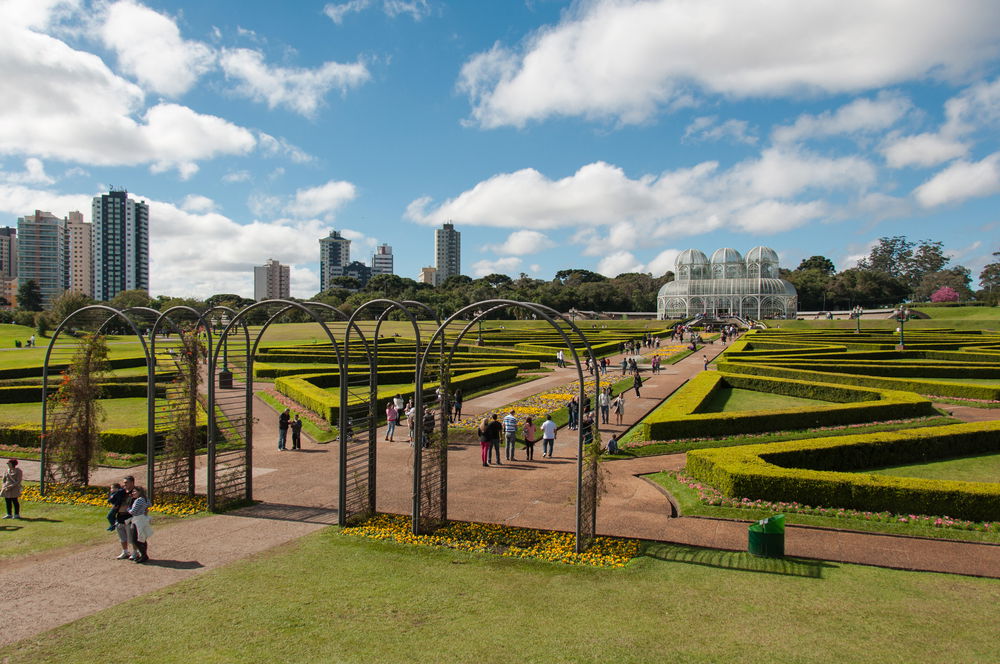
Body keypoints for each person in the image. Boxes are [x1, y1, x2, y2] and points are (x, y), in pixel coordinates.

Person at [114, 475, 136, 560]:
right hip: (120, 517)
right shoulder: (122, 492)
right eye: (124, 482)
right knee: (122, 537)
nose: (124, 484)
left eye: (126, 482)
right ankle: (125, 551)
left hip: (129, 517)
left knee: (132, 537)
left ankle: (135, 552)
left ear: (132, 482)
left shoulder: (135, 492)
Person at [127, 486, 152, 563]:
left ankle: (144, 555)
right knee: (142, 537)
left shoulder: (138, 500)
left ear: (139, 492)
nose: (133, 493)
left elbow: (133, 512)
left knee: (136, 539)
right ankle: (144, 555)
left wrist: (128, 509)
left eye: (135, 492)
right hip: (143, 519)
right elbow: (149, 504)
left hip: (138, 520)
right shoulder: (145, 499)